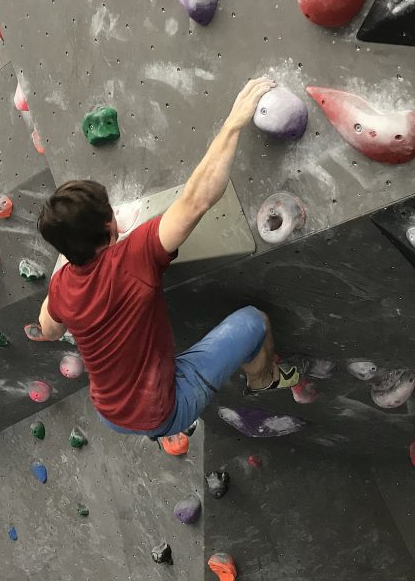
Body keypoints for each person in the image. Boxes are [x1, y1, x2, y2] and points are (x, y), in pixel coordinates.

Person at [32, 78, 299, 444]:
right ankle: (263, 379)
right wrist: (235, 121)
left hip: (111, 413)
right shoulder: (134, 256)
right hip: (165, 411)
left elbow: (48, 329)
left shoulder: (61, 286)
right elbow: (196, 199)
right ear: (110, 226)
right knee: (255, 321)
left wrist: (63, 271)